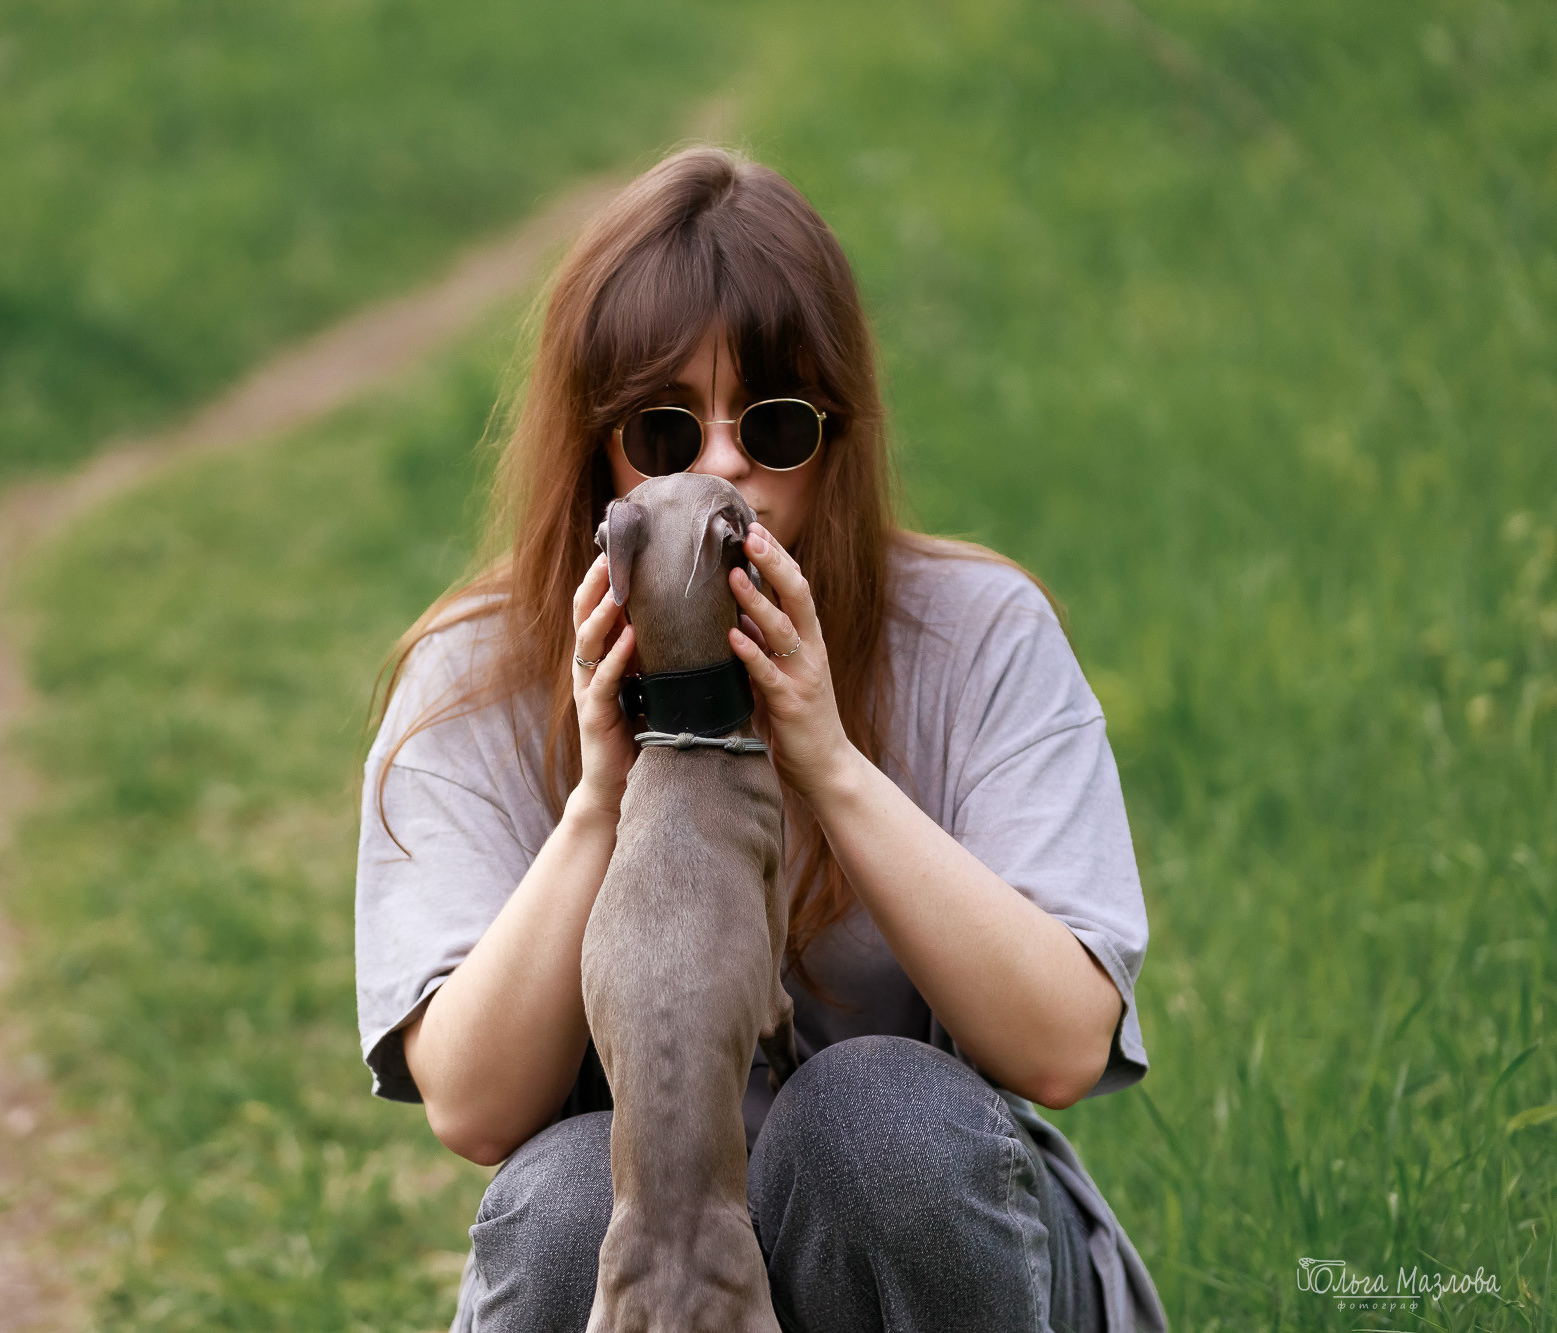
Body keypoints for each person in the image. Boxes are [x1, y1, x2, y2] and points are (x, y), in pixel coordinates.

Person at [355, 145, 1166, 1333]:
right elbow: (473, 1108)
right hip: (647, 1280)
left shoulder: (976, 629)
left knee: (872, 1120)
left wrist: (828, 761)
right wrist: (598, 800)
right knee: (574, 1193)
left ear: (835, 443)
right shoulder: (474, 673)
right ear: (596, 452)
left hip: (926, 1248)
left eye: (776, 426)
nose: (726, 465)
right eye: (664, 430)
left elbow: (1058, 1046)